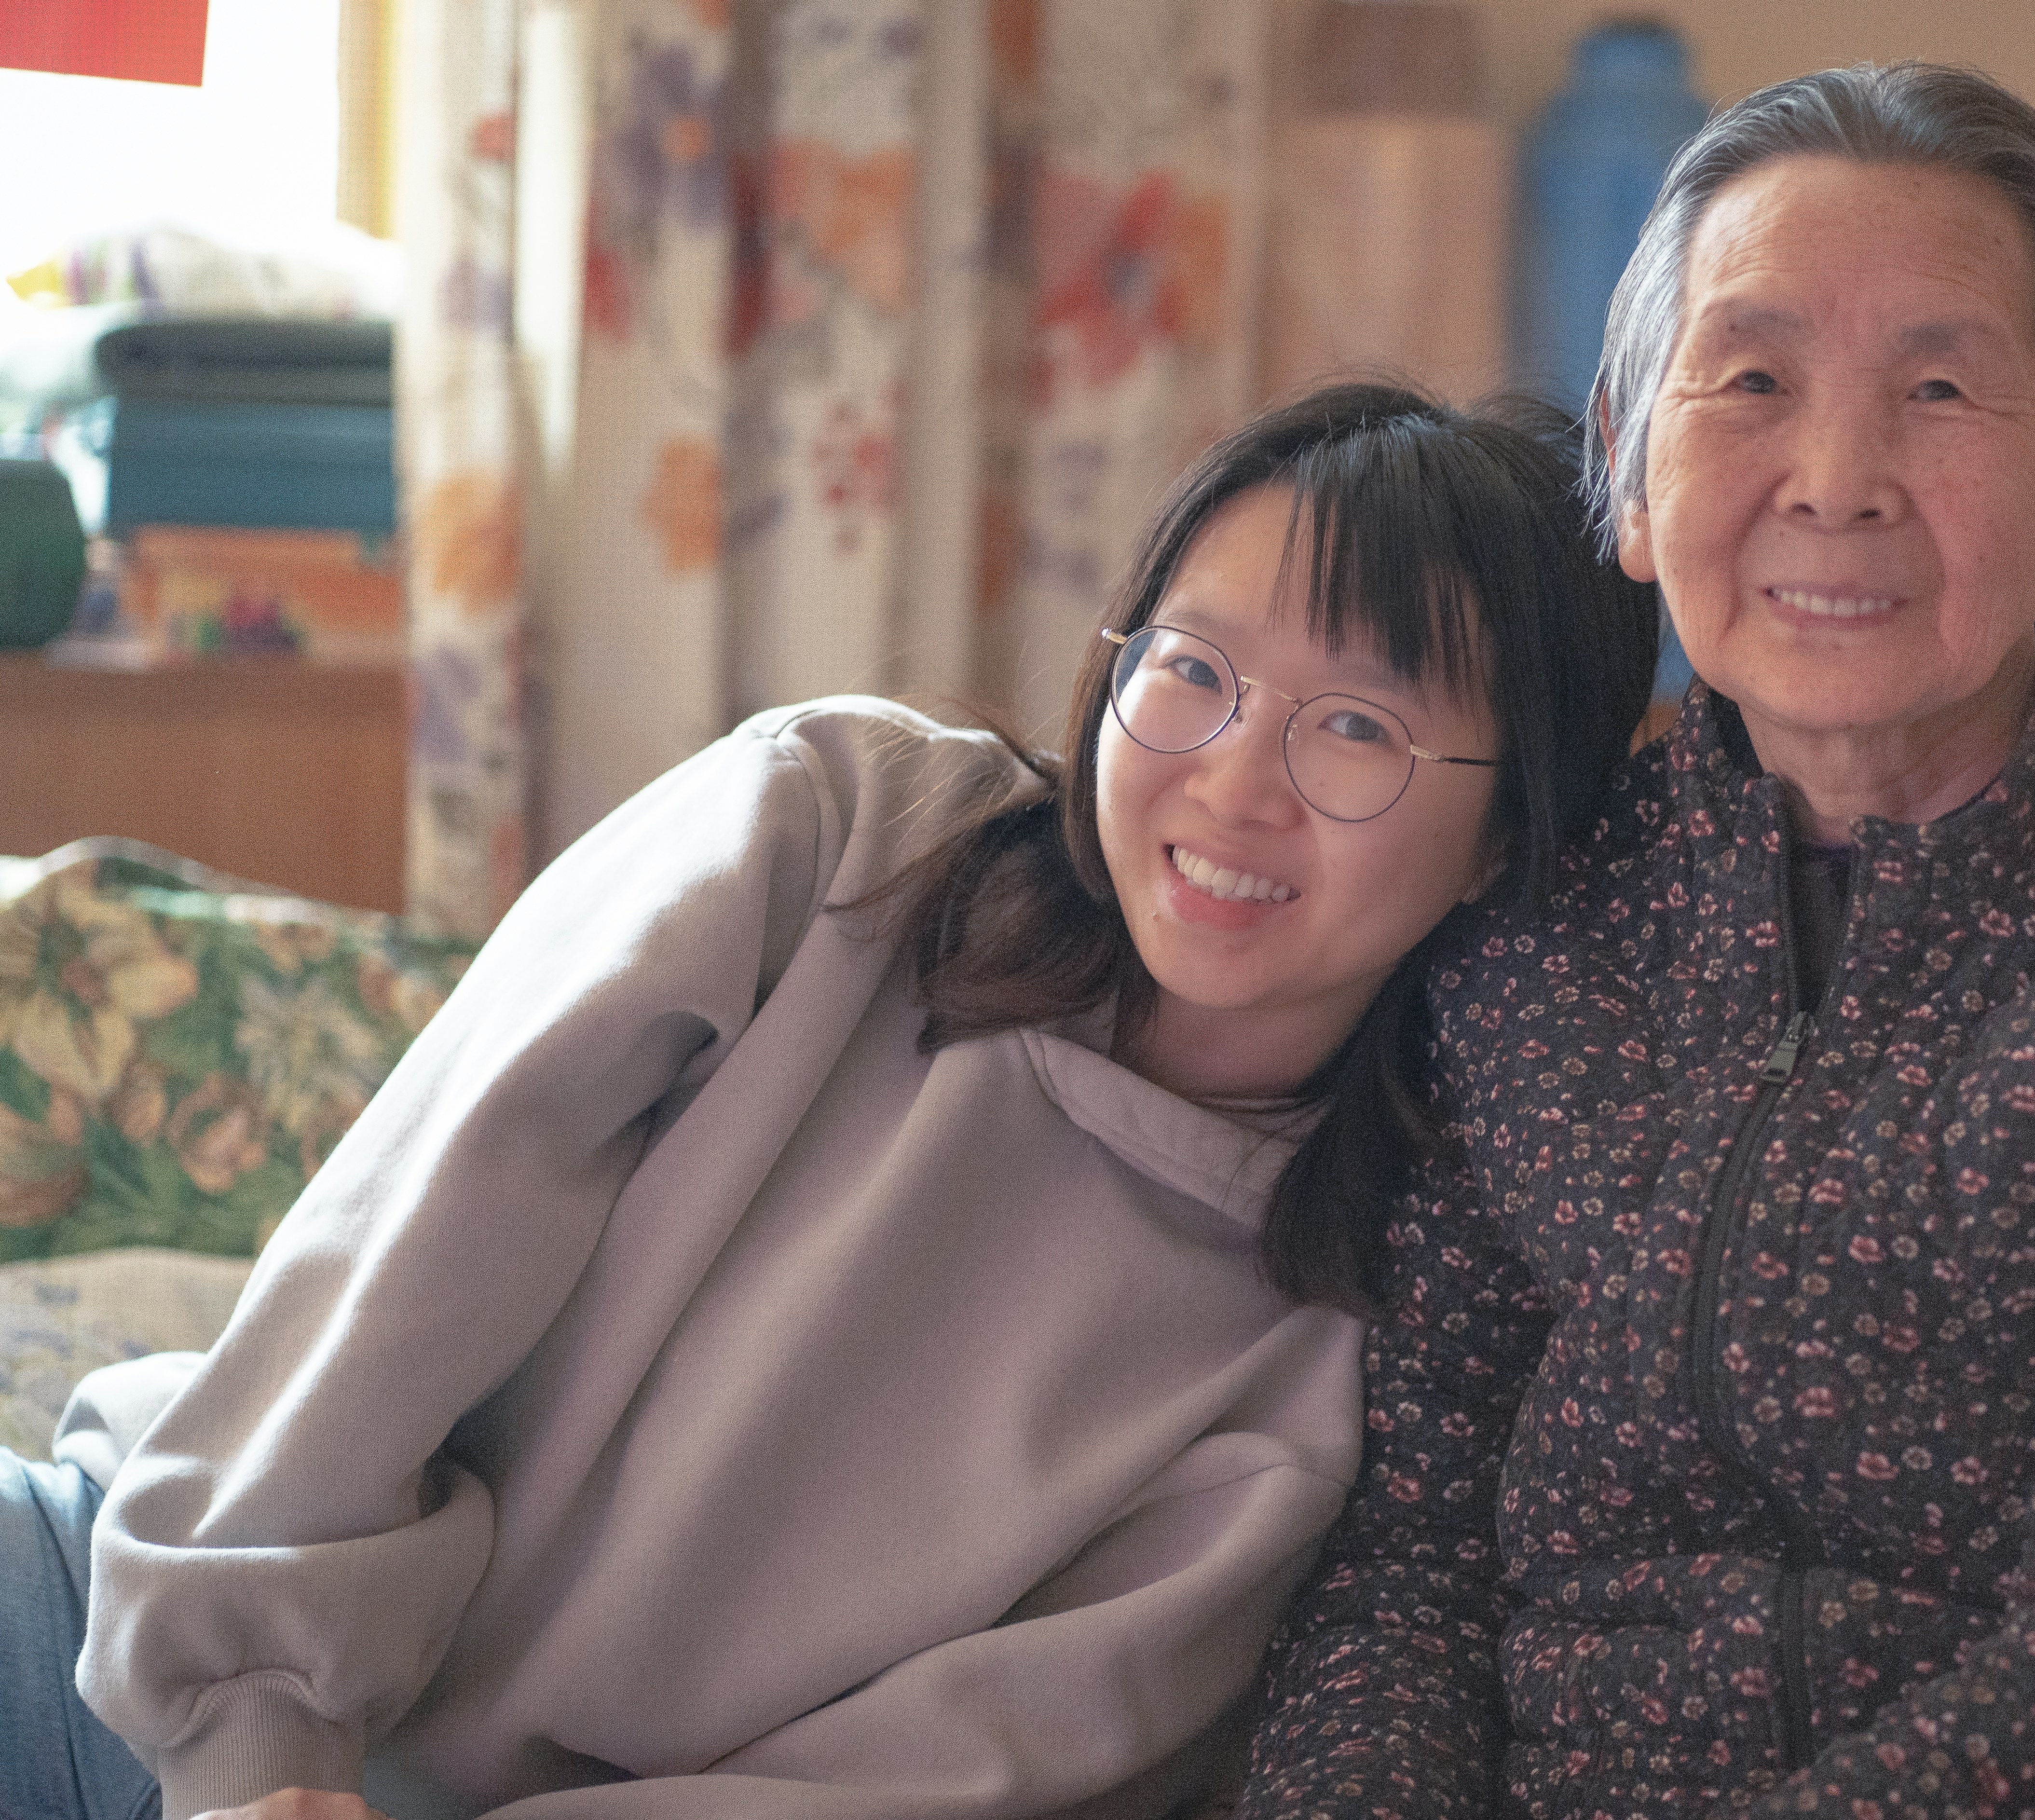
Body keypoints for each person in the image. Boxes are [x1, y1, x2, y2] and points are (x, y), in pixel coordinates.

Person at [0, 382, 1658, 1820]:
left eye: (1358, 729)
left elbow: (935, 1783)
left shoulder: (1325, 1359)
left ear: (1505, 840)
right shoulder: (841, 835)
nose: (1230, 781)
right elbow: (391, 1284)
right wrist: (256, 1744)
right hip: (123, 1642)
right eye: (1192, 671)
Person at [1239, 64, 2035, 1820]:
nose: (1836, 479)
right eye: (1752, 380)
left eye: (1938, 388)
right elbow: (1408, 1568)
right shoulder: (1541, 922)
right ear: (1627, 465)